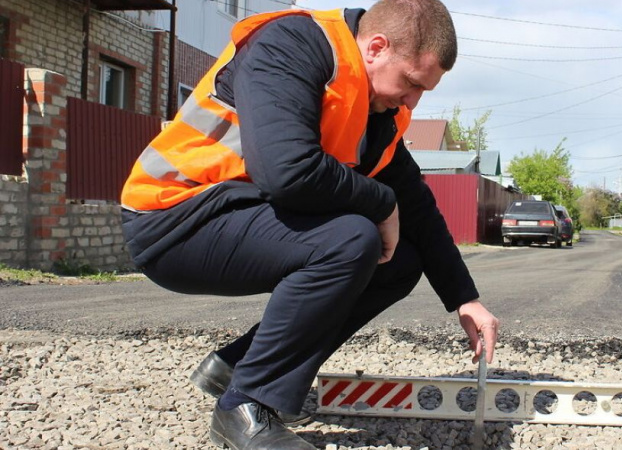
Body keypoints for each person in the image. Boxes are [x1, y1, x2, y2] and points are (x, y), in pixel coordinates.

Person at [120, 0, 499, 448]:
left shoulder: (375, 108)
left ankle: (234, 367)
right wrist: (381, 202)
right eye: (413, 83)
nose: (413, 100)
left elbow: (415, 203)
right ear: (376, 48)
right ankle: (244, 407)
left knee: (397, 262)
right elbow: (287, 171)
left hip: (236, 215)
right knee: (352, 239)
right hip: (174, 217)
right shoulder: (291, 45)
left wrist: (465, 298)